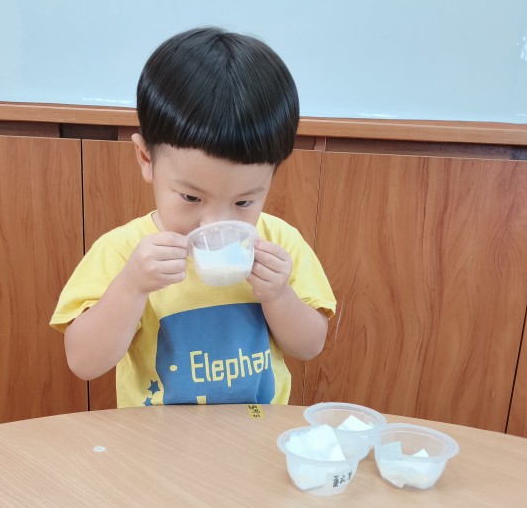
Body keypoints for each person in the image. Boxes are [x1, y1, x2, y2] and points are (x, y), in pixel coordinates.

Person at [50, 27, 335, 407]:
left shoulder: (279, 244)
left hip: (256, 432)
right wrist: (132, 286)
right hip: (158, 439)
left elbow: (310, 346)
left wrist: (279, 295)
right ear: (146, 159)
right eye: (191, 197)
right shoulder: (123, 251)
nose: (213, 223)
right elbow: (84, 363)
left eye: (244, 202)